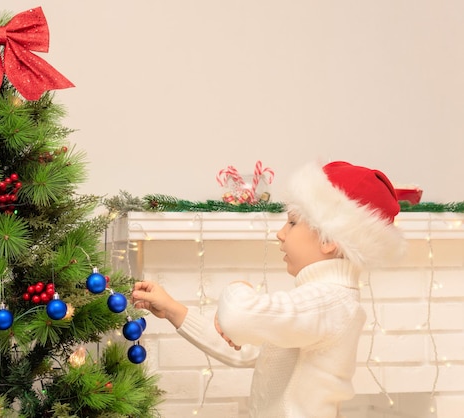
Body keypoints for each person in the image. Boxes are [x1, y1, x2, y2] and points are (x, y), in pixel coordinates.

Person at [132, 161, 406, 418]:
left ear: (329, 240)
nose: (281, 233)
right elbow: (251, 352)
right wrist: (174, 310)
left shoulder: (329, 301)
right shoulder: (319, 300)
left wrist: (237, 287)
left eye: (292, 222)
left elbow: (238, 316)